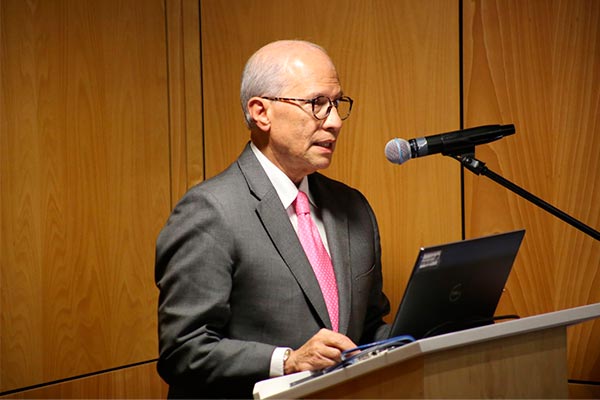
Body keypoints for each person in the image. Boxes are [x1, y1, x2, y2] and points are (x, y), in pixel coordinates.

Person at [155, 40, 390, 399]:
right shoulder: (209, 212)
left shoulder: (353, 207)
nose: (335, 122)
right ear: (261, 112)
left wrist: (439, 326)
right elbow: (183, 351)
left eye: (337, 104)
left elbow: (368, 329)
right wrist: (288, 361)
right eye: (317, 104)